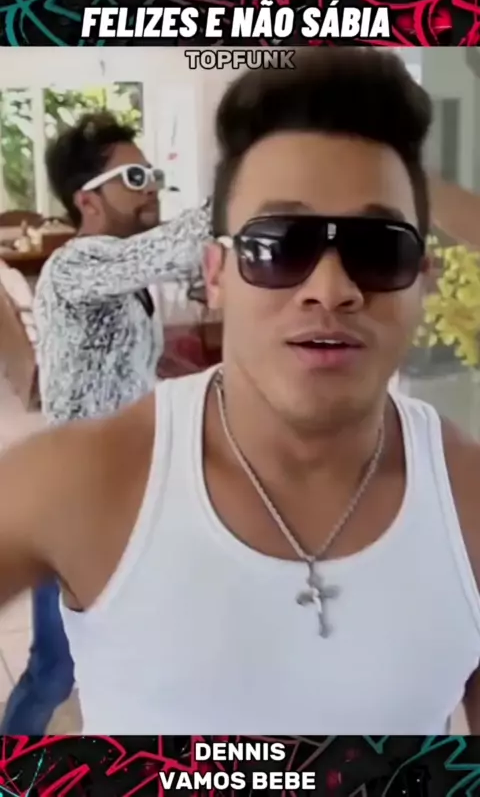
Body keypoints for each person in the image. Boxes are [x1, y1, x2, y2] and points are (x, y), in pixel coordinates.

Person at [2, 48, 480, 734]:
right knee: (50, 669)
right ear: (216, 275)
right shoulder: (73, 477)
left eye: (379, 248)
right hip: (127, 477)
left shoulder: (467, 501)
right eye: (278, 244)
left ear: (423, 280)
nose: (331, 289)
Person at [0, 113, 210, 734]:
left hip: (127, 492)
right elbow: (177, 246)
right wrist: (252, 181)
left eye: (153, 176)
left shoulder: (122, 276)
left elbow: (126, 366)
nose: (151, 189)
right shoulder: (76, 265)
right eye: (135, 178)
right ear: (87, 200)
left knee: (135, 651)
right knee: (53, 670)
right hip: (75, 501)